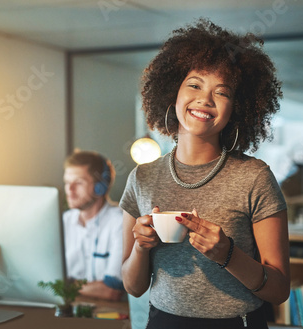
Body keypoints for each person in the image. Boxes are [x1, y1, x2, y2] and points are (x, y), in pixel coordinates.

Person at [120, 19, 290, 328]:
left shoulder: (254, 177)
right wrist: (141, 247)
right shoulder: (141, 178)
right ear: (173, 92)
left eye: (221, 92)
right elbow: (133, 287)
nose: (205, 99)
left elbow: (279, 289)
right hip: (161, 321)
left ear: (236, 108)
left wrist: (227, 253)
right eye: (195, 84)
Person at [62, 150, 125, 301]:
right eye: (67, 183)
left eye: (78, 183)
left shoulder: (121, 222)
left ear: (100, 187)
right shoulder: (64, 221)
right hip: (70, 311)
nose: (69, 191)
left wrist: (65, 285)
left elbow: (111, 291)